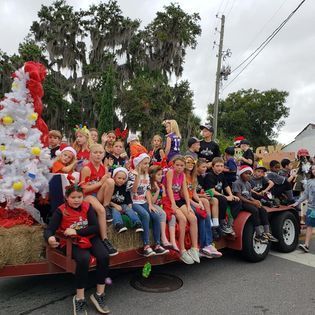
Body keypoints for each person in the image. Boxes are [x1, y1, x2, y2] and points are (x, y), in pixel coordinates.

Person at [44, 184, 110, 314]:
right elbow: (50, 229)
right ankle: (79, 299)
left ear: (83, 197)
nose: (76, 200)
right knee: (83, 258)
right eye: (73, 197)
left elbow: (95, 227)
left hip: (89, 237)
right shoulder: (60, 210)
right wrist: (50, 238)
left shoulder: (87, 207)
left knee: (104, 256)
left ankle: (99, 295)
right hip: (71, 242)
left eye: (79, 197)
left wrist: (76, 230)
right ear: (66, 198)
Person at [80, 143, 117, 256]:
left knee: (110, 181)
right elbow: (84, 189)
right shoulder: (87, 168)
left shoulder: (104, 168)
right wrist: (100, 182)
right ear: (90, 154)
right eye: (95, 153)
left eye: (100, 153)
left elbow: (106, 185)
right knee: (100, 210)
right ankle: (105, 239)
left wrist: (104, 183)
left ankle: (106, 206)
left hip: (99, 195)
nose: (98, 155)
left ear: (103, 154)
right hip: (88, 196)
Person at [129, 153, 169, 257]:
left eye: (148, 163)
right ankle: (146, 246)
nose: (147, 165)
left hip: (144, 201)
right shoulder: (132, 174)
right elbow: (133, 190)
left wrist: (150, 204)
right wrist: (137, 176)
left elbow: (147, 190)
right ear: (139, 164)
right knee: (145, 215)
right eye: (145, 163)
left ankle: (157, 244)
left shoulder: (146, 175)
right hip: (134, 202)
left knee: (156, 215)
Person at [184, 155, 222, 258]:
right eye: (188, 162)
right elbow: (185, 194)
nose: (190, 165)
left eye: (192, 163)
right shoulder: (183, 176)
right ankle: (203, 245)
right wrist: (195, 203)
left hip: (193, 200)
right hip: (185, 202)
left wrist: (199, 202)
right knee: (201, 216)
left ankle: (207, 244)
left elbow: (193, 193)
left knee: (204, 213)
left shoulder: (193, 177)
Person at [164, 155, 200, 264]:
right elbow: (169, 188)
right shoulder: (170, 172)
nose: (179, 167)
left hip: (179, 200)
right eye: (177, 165)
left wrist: (188, 205)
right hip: (169, 200)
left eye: (181, 165)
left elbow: (184, 191)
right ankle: (182, 250)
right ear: (173, 165)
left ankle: (195, 248)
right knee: (183, 219)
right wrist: (173, 204)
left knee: (193, 218)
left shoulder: (183, 175)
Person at [232, 166, 278, 243]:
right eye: (246, 173)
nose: (248, 175)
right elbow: (239, 196)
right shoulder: (237, 183)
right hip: (241, 203)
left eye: (250, 174)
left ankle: (267, 233)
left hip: (248, 201)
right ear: (241, 174)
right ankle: (258, 234)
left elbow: (249, 196)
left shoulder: (248, 184)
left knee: (262, 209)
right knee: (254, 210)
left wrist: (256, 201)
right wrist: (252, 203)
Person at [208, 157, 242, 235]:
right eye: (217, 166)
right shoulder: (210, 175)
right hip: (211, 195)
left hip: (220, 195)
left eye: (221, 166)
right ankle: (222, 223)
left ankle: (230, 223)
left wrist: (231, 195)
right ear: (213, 166)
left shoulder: (222, 175)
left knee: (237, 201)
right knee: (223, 199)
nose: (219, 168)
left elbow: (226, 186)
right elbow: (212, 191)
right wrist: (226, 197)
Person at [149, 165, 178, 251]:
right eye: (158, 174)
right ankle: (163, 238)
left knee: (172, 216)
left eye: (161, 174)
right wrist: (157, 190)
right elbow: (152, 201)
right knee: (162, 214)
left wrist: (168, 208)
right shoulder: (149, 185)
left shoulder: (162, 185)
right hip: (151, 205)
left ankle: (173, 241)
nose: (160, 176)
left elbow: (164, 199)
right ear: (152, 175)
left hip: (160, 205)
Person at [107, 167, 143, 234]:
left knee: (128, 209)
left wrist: (130, 208)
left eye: (123, 179)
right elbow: (107, 200)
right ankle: (118, 225)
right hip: (112, 205)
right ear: (114, 177)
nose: (121, 180)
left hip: (123, 205)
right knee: (115, 210)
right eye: (119, 178)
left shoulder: (124, 187)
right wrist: (115, 205)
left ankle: (137, 223)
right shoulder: (111, 186)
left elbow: (128, 199)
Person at [292, 165, 315, 252]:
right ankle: (306, 245)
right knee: (309, 226)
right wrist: (296, 203)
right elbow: (305, 195)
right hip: (311, 208)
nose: (314, 170)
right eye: (313, 169)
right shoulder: (309, 182)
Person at [196, 158, 220, 239]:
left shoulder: (202, 177)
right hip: (193, 198)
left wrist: (206, 193)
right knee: (205, 200)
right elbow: (191, 193)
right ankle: (209, 224)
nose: (205, 169)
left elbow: (201, 189)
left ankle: (216, 225)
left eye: (206, 167)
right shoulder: (194, 177)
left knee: (215, 200)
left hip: (200, 196)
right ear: (197, 167)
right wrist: (202, 196)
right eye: (203, 167)